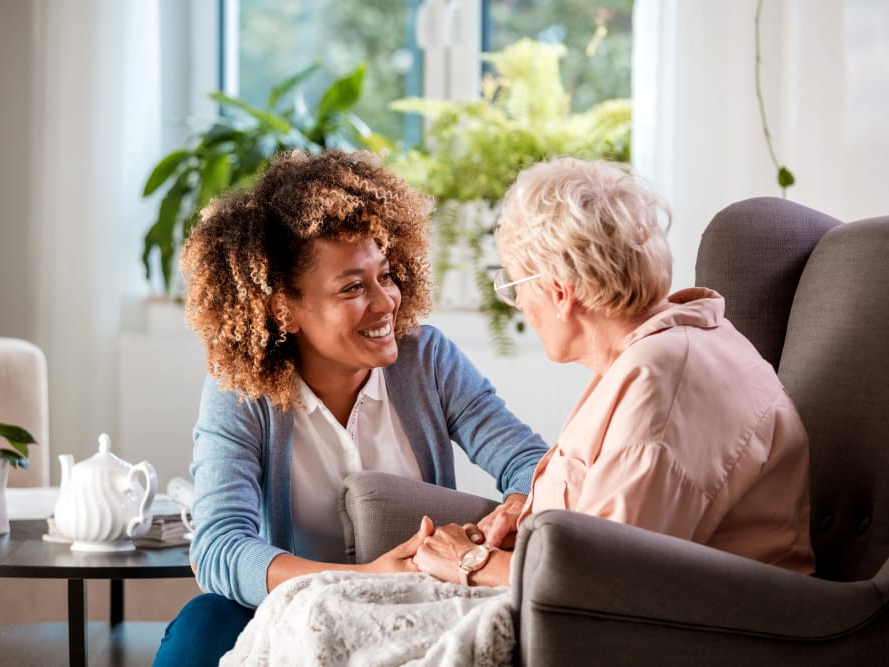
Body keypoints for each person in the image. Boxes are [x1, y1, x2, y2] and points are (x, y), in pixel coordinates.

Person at [152, 150, 550, 666]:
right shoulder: (241, 392)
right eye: (353, 288)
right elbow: (220, 548)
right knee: (203, 624)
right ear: (282, 309)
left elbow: (529, 462)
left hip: (414, 605)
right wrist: (364, 578)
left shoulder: (426, 360)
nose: (386, 302)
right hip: (292, 609)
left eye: (385, 275)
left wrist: (519, 504)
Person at [412, 156, 815, 588]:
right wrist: (531, 519)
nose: (520, 305)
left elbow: (604, 581)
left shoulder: (662, 383)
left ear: (560, 292)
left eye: (513, 286)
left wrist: (471, 561)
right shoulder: (665, 349)